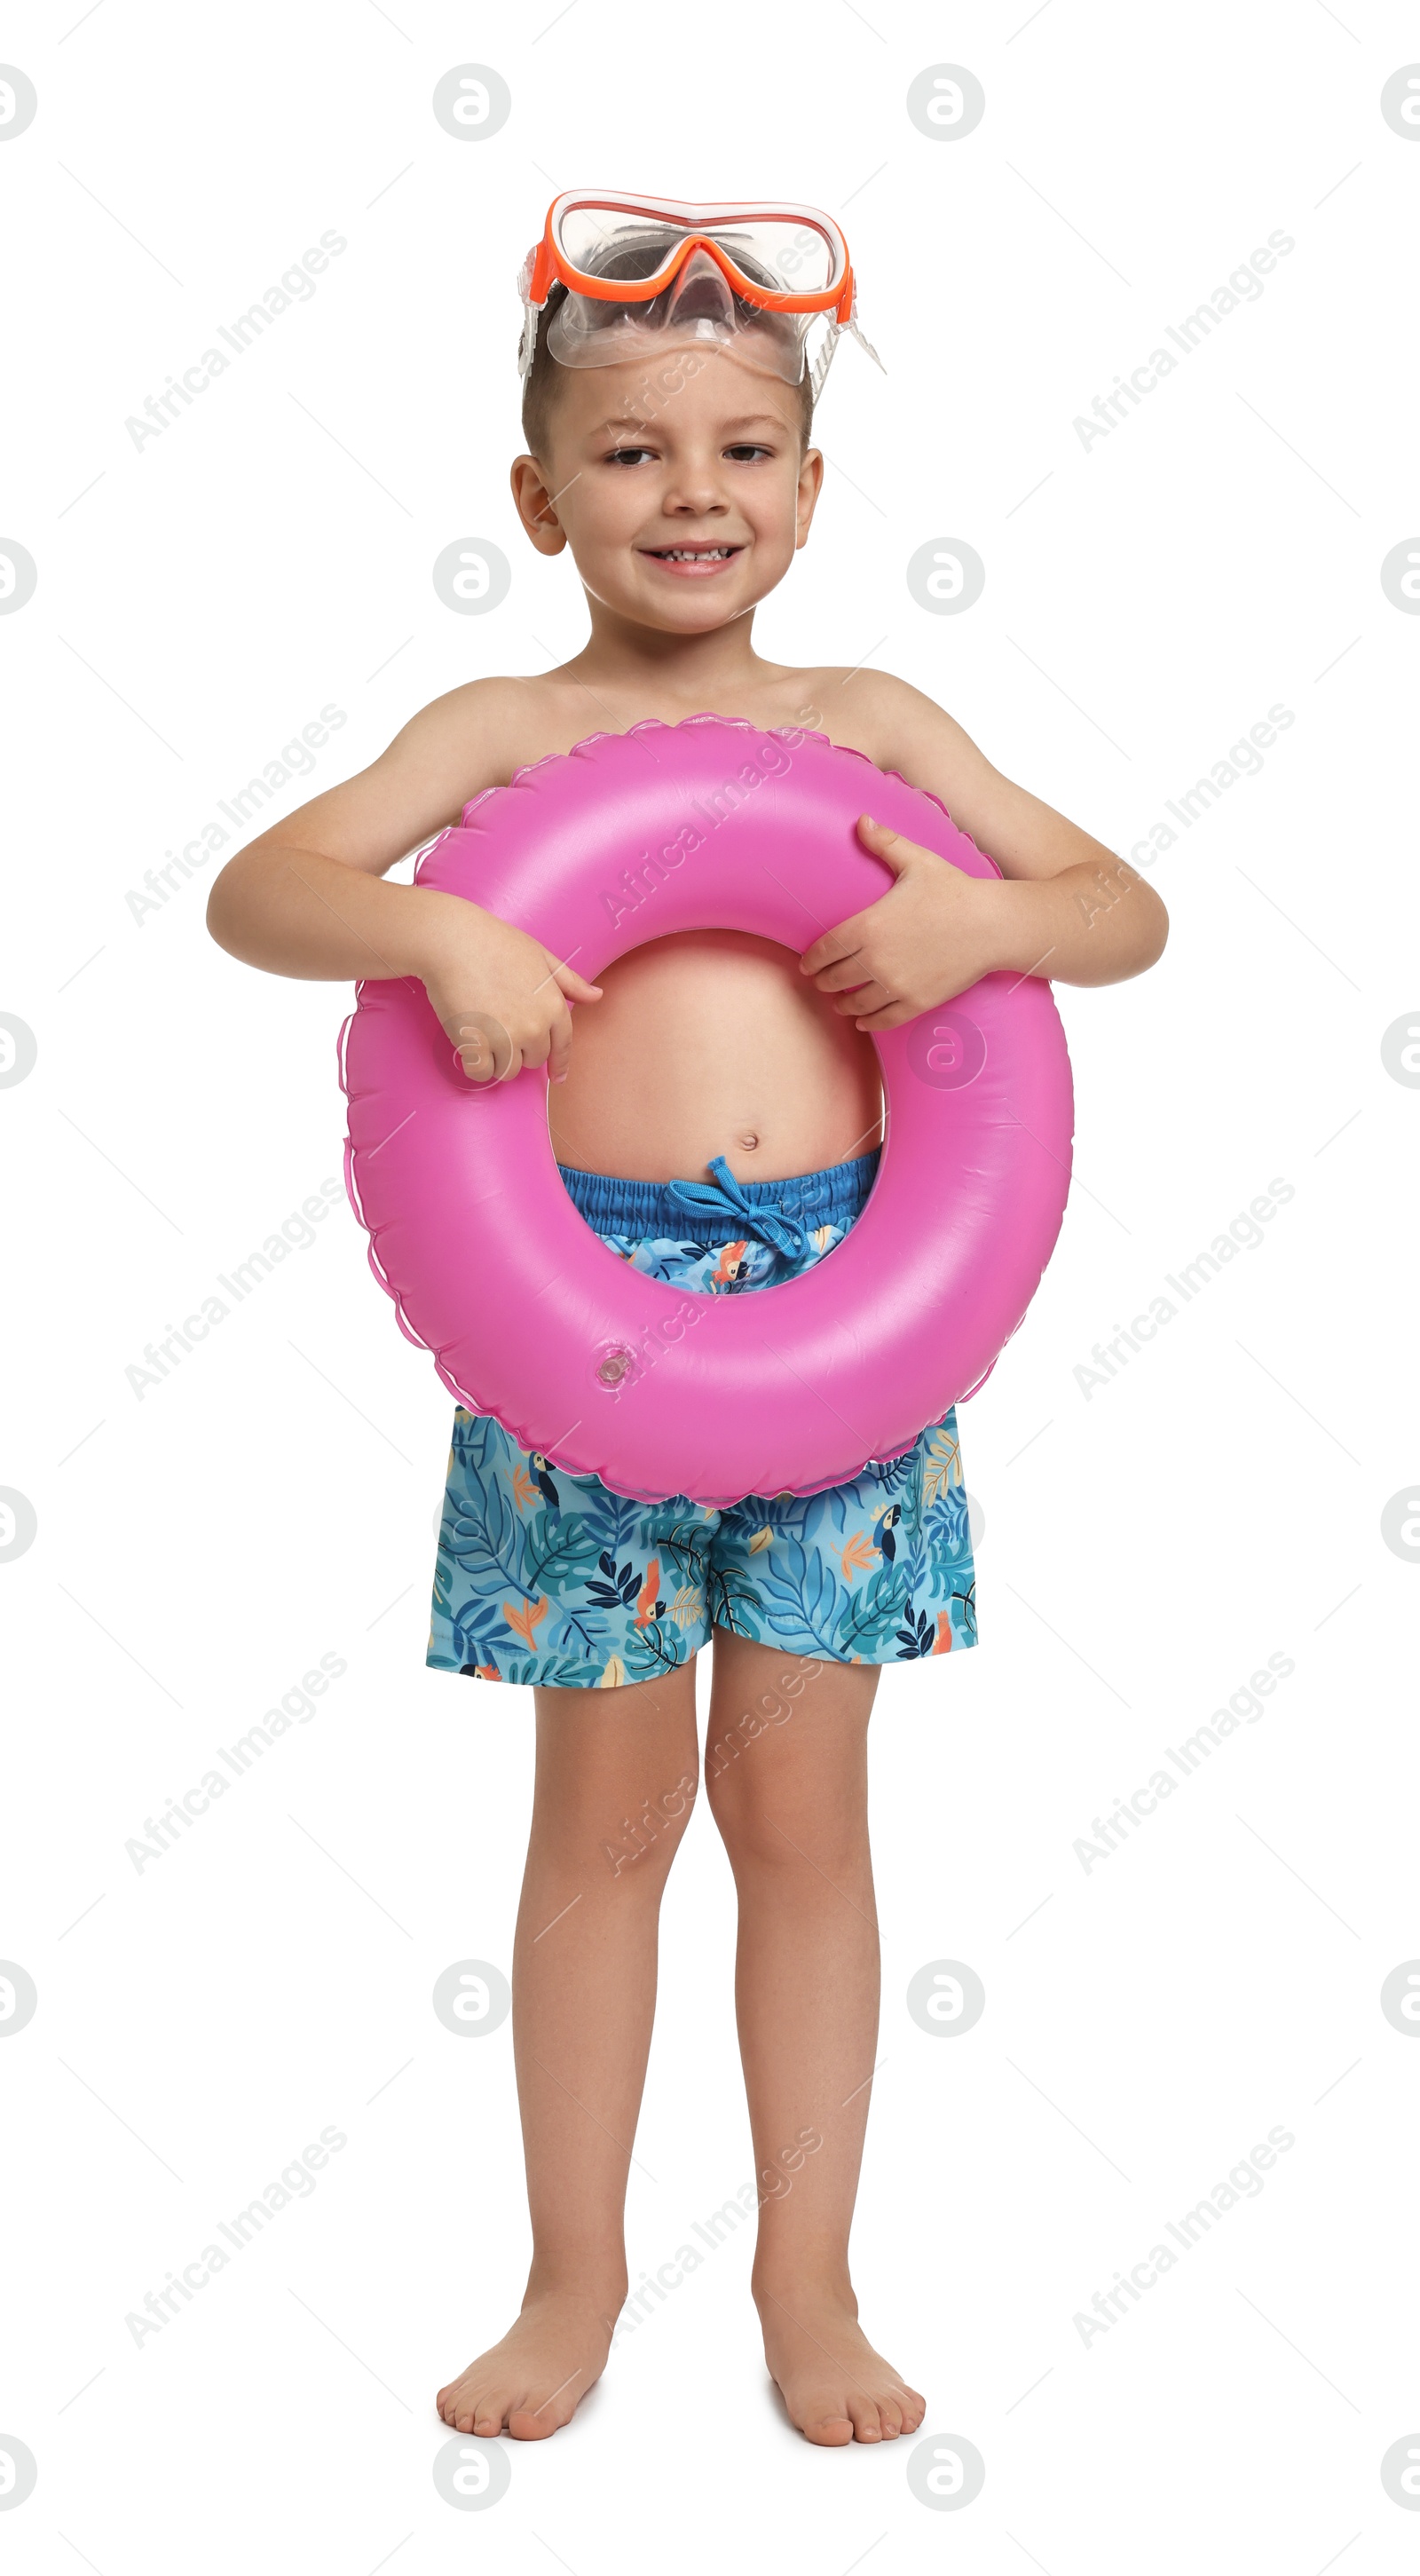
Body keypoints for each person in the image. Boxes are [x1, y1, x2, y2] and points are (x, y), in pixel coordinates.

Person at [207, 191, 1167, 2447]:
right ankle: (571, 2278)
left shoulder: (869, 717)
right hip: (572, 1325)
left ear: (811, 493)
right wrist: (429, 935)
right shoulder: (501, 727)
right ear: (537, 498)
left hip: (844, 1312)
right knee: (604, 1819)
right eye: (631, 456)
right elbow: (264, 886)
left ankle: (807, 2282)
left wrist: (978, 929)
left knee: (803, 1810)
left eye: (742, 449)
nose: (693, 494)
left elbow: (1121, 908)